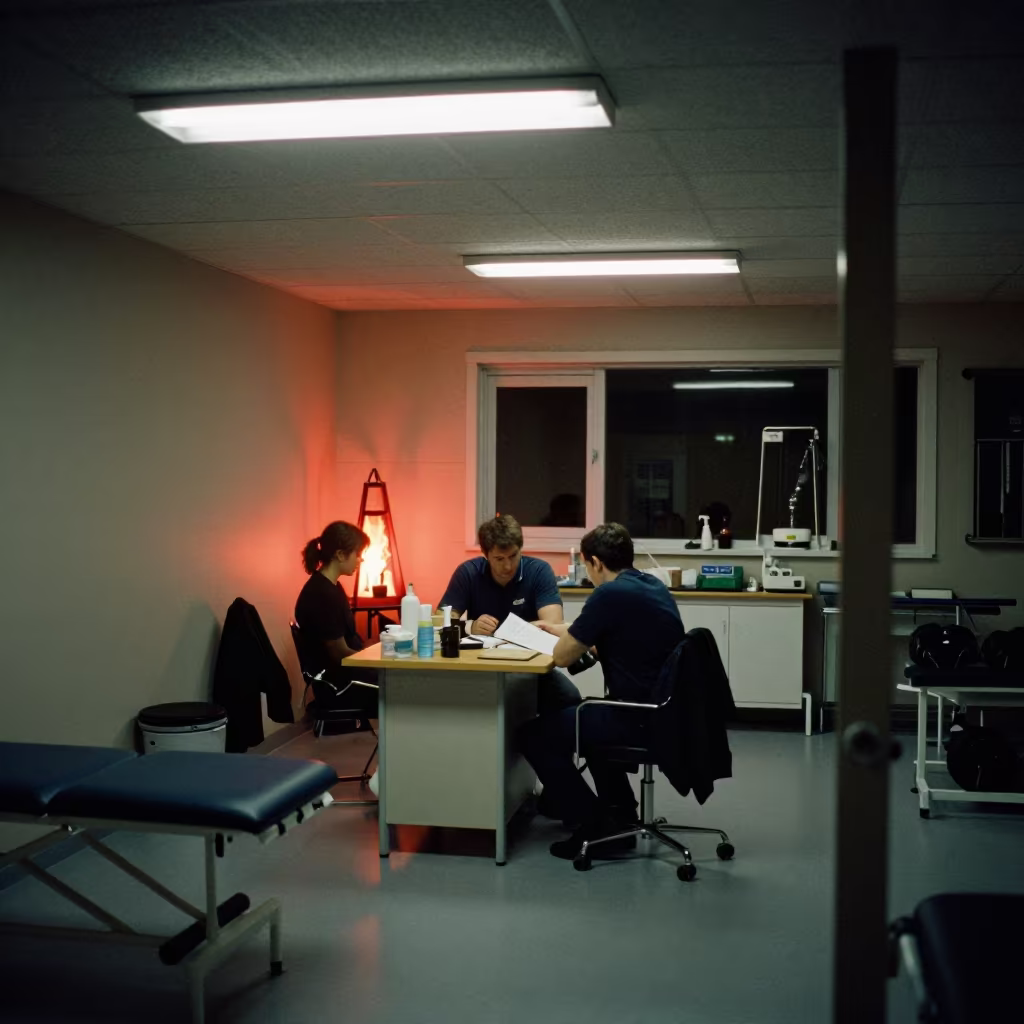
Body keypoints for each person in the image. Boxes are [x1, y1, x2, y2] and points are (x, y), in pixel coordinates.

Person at [519, 522, 686, 859]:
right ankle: (621, 815)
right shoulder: (648, 584)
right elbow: (613, 630)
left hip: (636, 716)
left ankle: (594, 823)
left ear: (594, 562)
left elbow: (563, 656)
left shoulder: (608, 594)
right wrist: (559, 627)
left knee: (534, 735)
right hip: (664, 712)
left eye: (586, 567)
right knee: (587, 718)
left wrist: (562, 637)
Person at [439, 513, 580, 714]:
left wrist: (524, 629)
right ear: (485, 555)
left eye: (513, 556)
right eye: (499, 559)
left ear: (521, 549)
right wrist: (471, 626)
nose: (507, 566)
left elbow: (553, 625)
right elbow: (441, 622)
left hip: (529, 669)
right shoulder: (468, 573)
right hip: (481, 669)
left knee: (570, 700)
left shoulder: (539, 571)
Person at [294, 521, 378, 721]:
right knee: (402, 684)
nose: (360, 560)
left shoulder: (331, 587)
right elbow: (340, 654)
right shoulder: (322, 595)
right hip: (340, 685)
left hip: (345, 674)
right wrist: (375, 662)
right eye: (357, 554)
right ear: (340, 555)